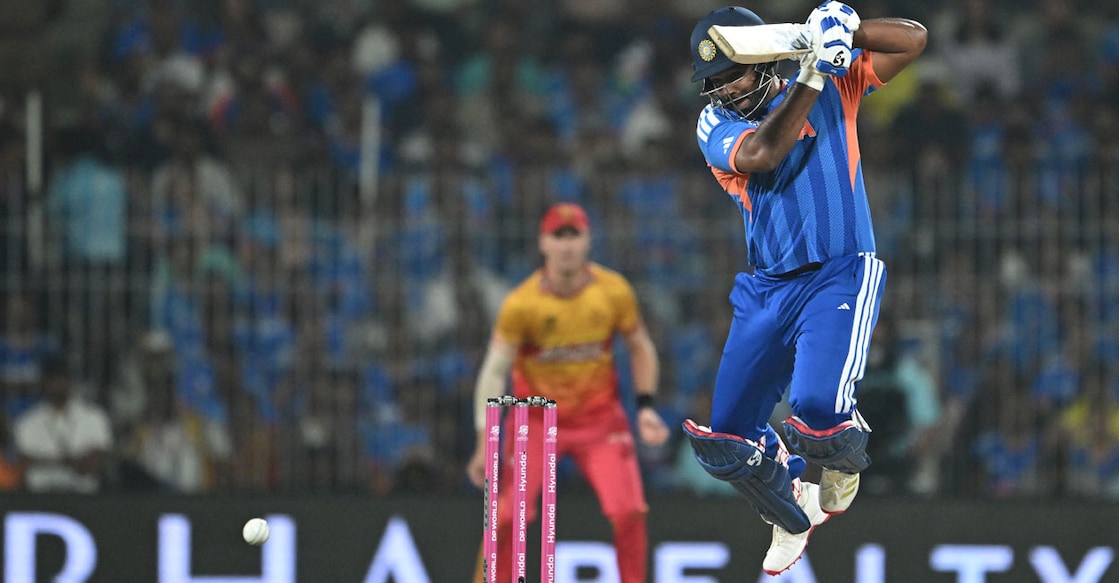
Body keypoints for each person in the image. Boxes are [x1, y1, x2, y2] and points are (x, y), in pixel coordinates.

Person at [682, 3, 926, 575]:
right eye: (714, 81)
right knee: (727, 437)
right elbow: (764, 154)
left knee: (815, 408)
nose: (724, 89)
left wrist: (841, 31)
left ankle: (841, 443)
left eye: (733, 73)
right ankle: (792, 508)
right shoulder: (713, 124)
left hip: (839, 271)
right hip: (767, 288)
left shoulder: (838, 80)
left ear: (765, 59)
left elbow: (913, 40)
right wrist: (814, 70)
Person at [466, 202, 669, 583]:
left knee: (630, 511)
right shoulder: (522, 304)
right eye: (558, 236)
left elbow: (640, 346)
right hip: (535, 421)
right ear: (543, 243)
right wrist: (483, 440)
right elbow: (493, 373)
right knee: (507, 516)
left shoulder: (613, 292)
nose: (566, 245)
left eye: (574, 235)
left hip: (599, 421)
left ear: (588, 241)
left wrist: (645, 406)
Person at [13, 352, 113, 493]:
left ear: (71, 381)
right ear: (43, 382)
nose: (57, 384)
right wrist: (72, 462)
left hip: (84, 495)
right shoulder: (27, 421)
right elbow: (24, 462)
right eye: (52, 379)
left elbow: (96, 462)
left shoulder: (94, 417)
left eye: (62, 378)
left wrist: (44, 461)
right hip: (40, 496)